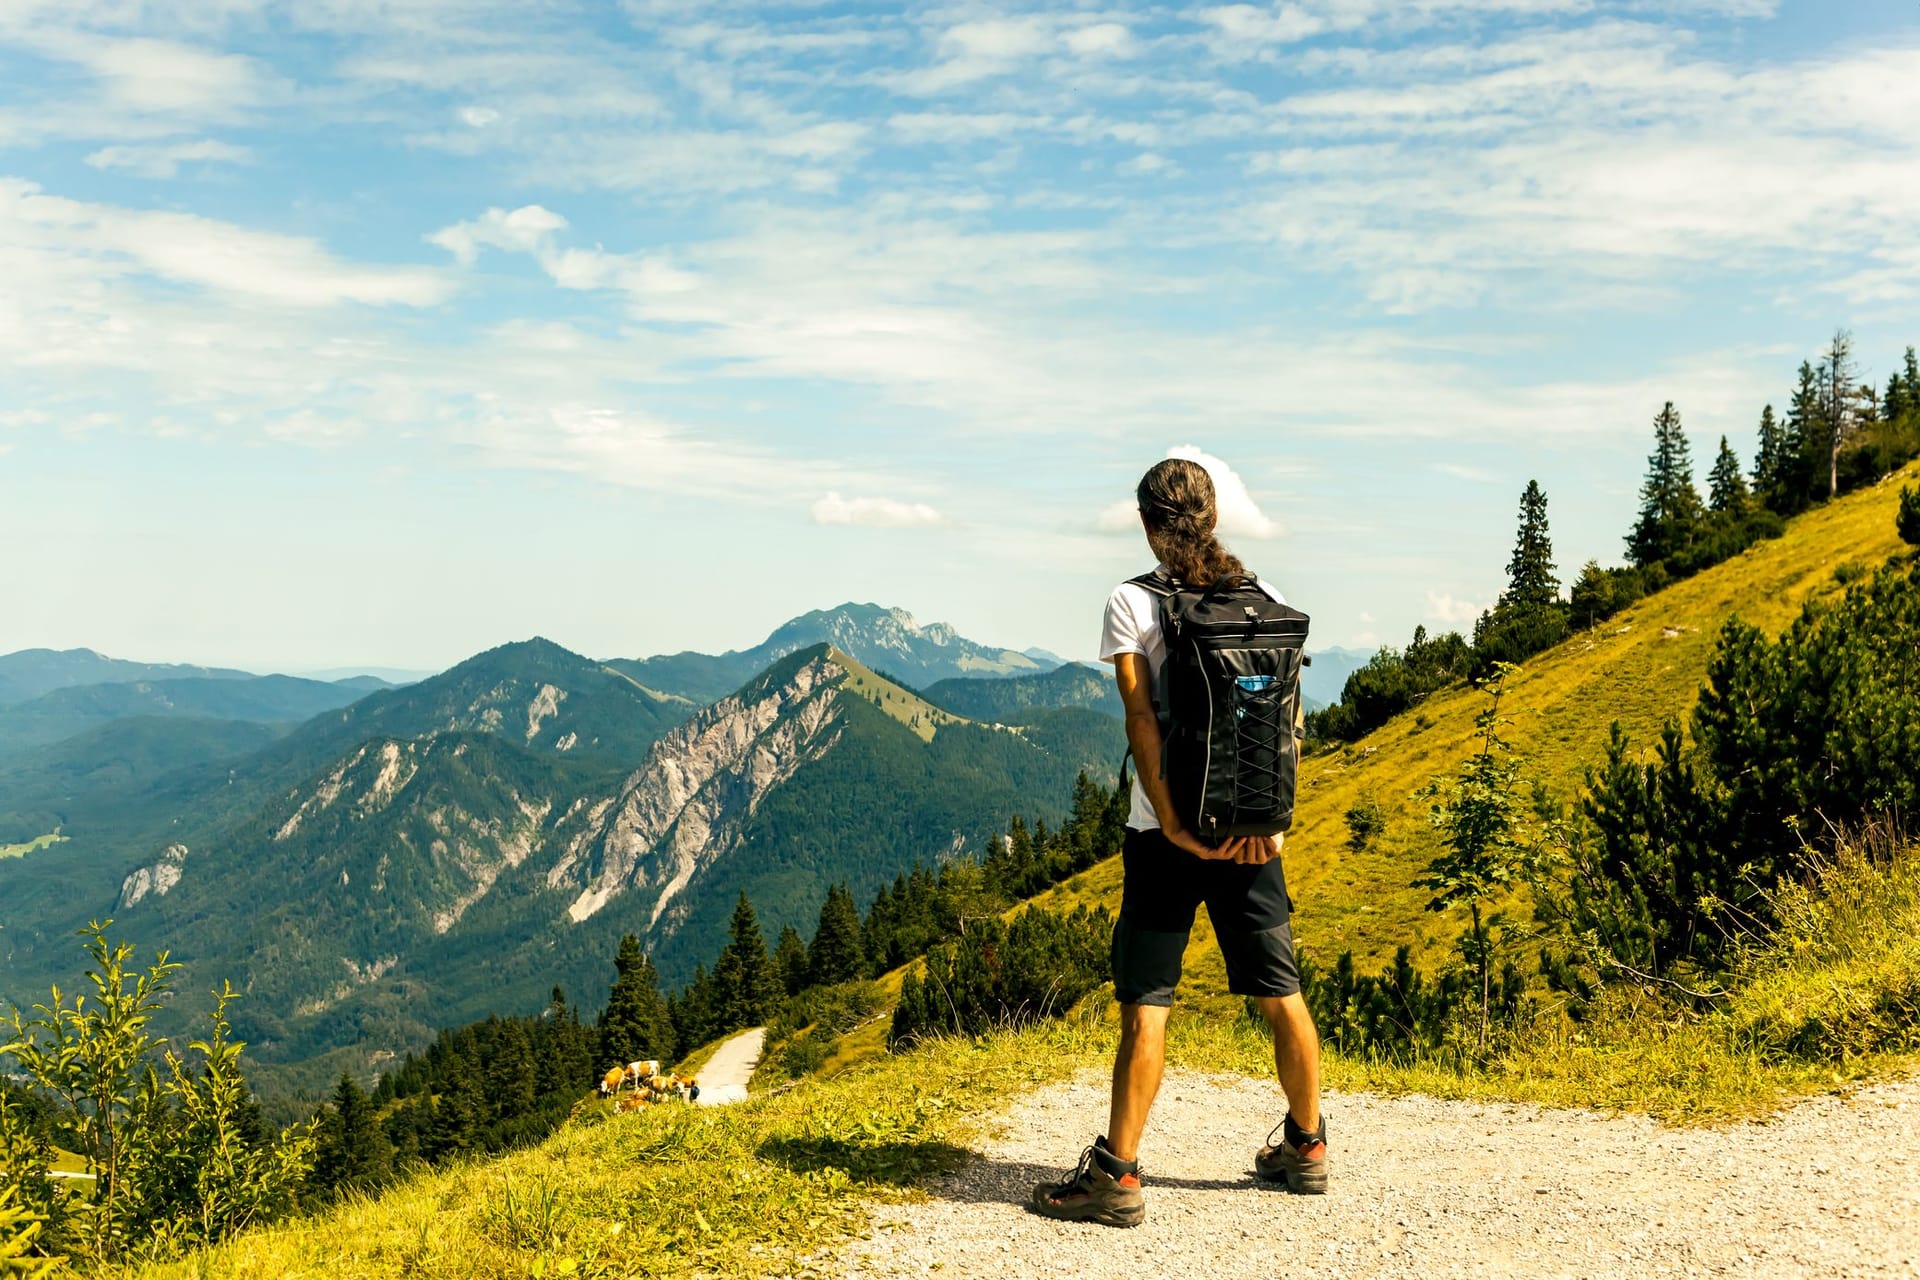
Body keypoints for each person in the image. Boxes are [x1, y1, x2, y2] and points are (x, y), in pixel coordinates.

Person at [1029, 456, 1328, 1228]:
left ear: (1145, 523)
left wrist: (1171, 819)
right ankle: (1307, 1146)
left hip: (1166, 837)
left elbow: (1140, 719)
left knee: (1148, 1001)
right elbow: (1288, 724)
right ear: (1216, 516)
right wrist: (1271, 822)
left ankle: (1118, 1177)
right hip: (1255, 836)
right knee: (1281, 991)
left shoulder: (1132, 603)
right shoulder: (1269, 600)